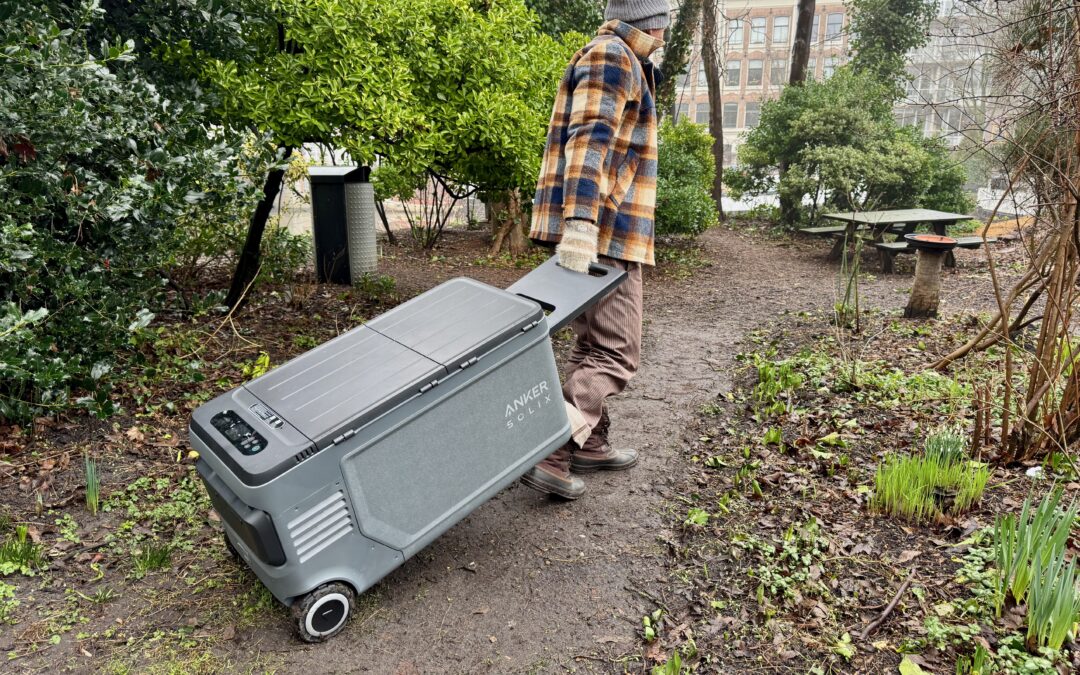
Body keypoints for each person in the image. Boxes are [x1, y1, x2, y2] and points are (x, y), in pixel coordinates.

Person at [521, 0, 669, 499]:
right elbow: (589, 140)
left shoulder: (629, 59)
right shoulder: (612, 55)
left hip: (610, 227)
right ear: (650, 20)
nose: (667, 32)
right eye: (664, 21)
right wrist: (581, 222)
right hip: (606, 230)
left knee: (592, 345)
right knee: (617, 353)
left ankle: (589, 443)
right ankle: (552, 448)